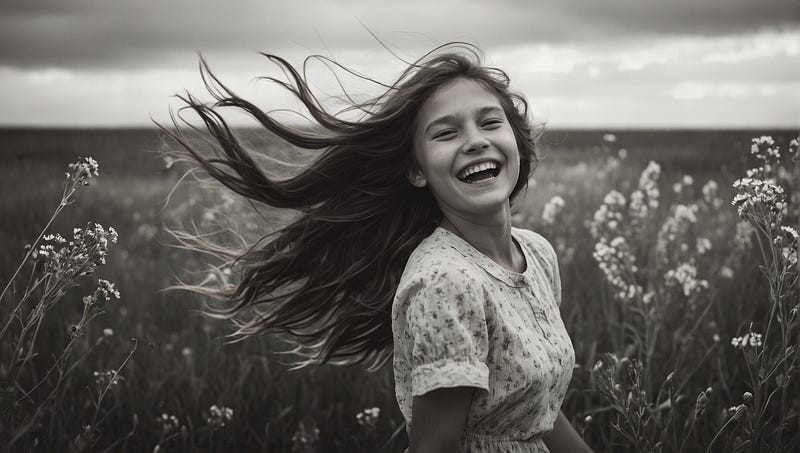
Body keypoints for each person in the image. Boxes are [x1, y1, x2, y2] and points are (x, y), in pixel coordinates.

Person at [163, 42, 592, 453]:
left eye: (490, 122)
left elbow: (539, 412)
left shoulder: (536, 254)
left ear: (516, 140)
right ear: (416, 171)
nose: (475, 140)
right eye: (446, 133)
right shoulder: (447, 281)